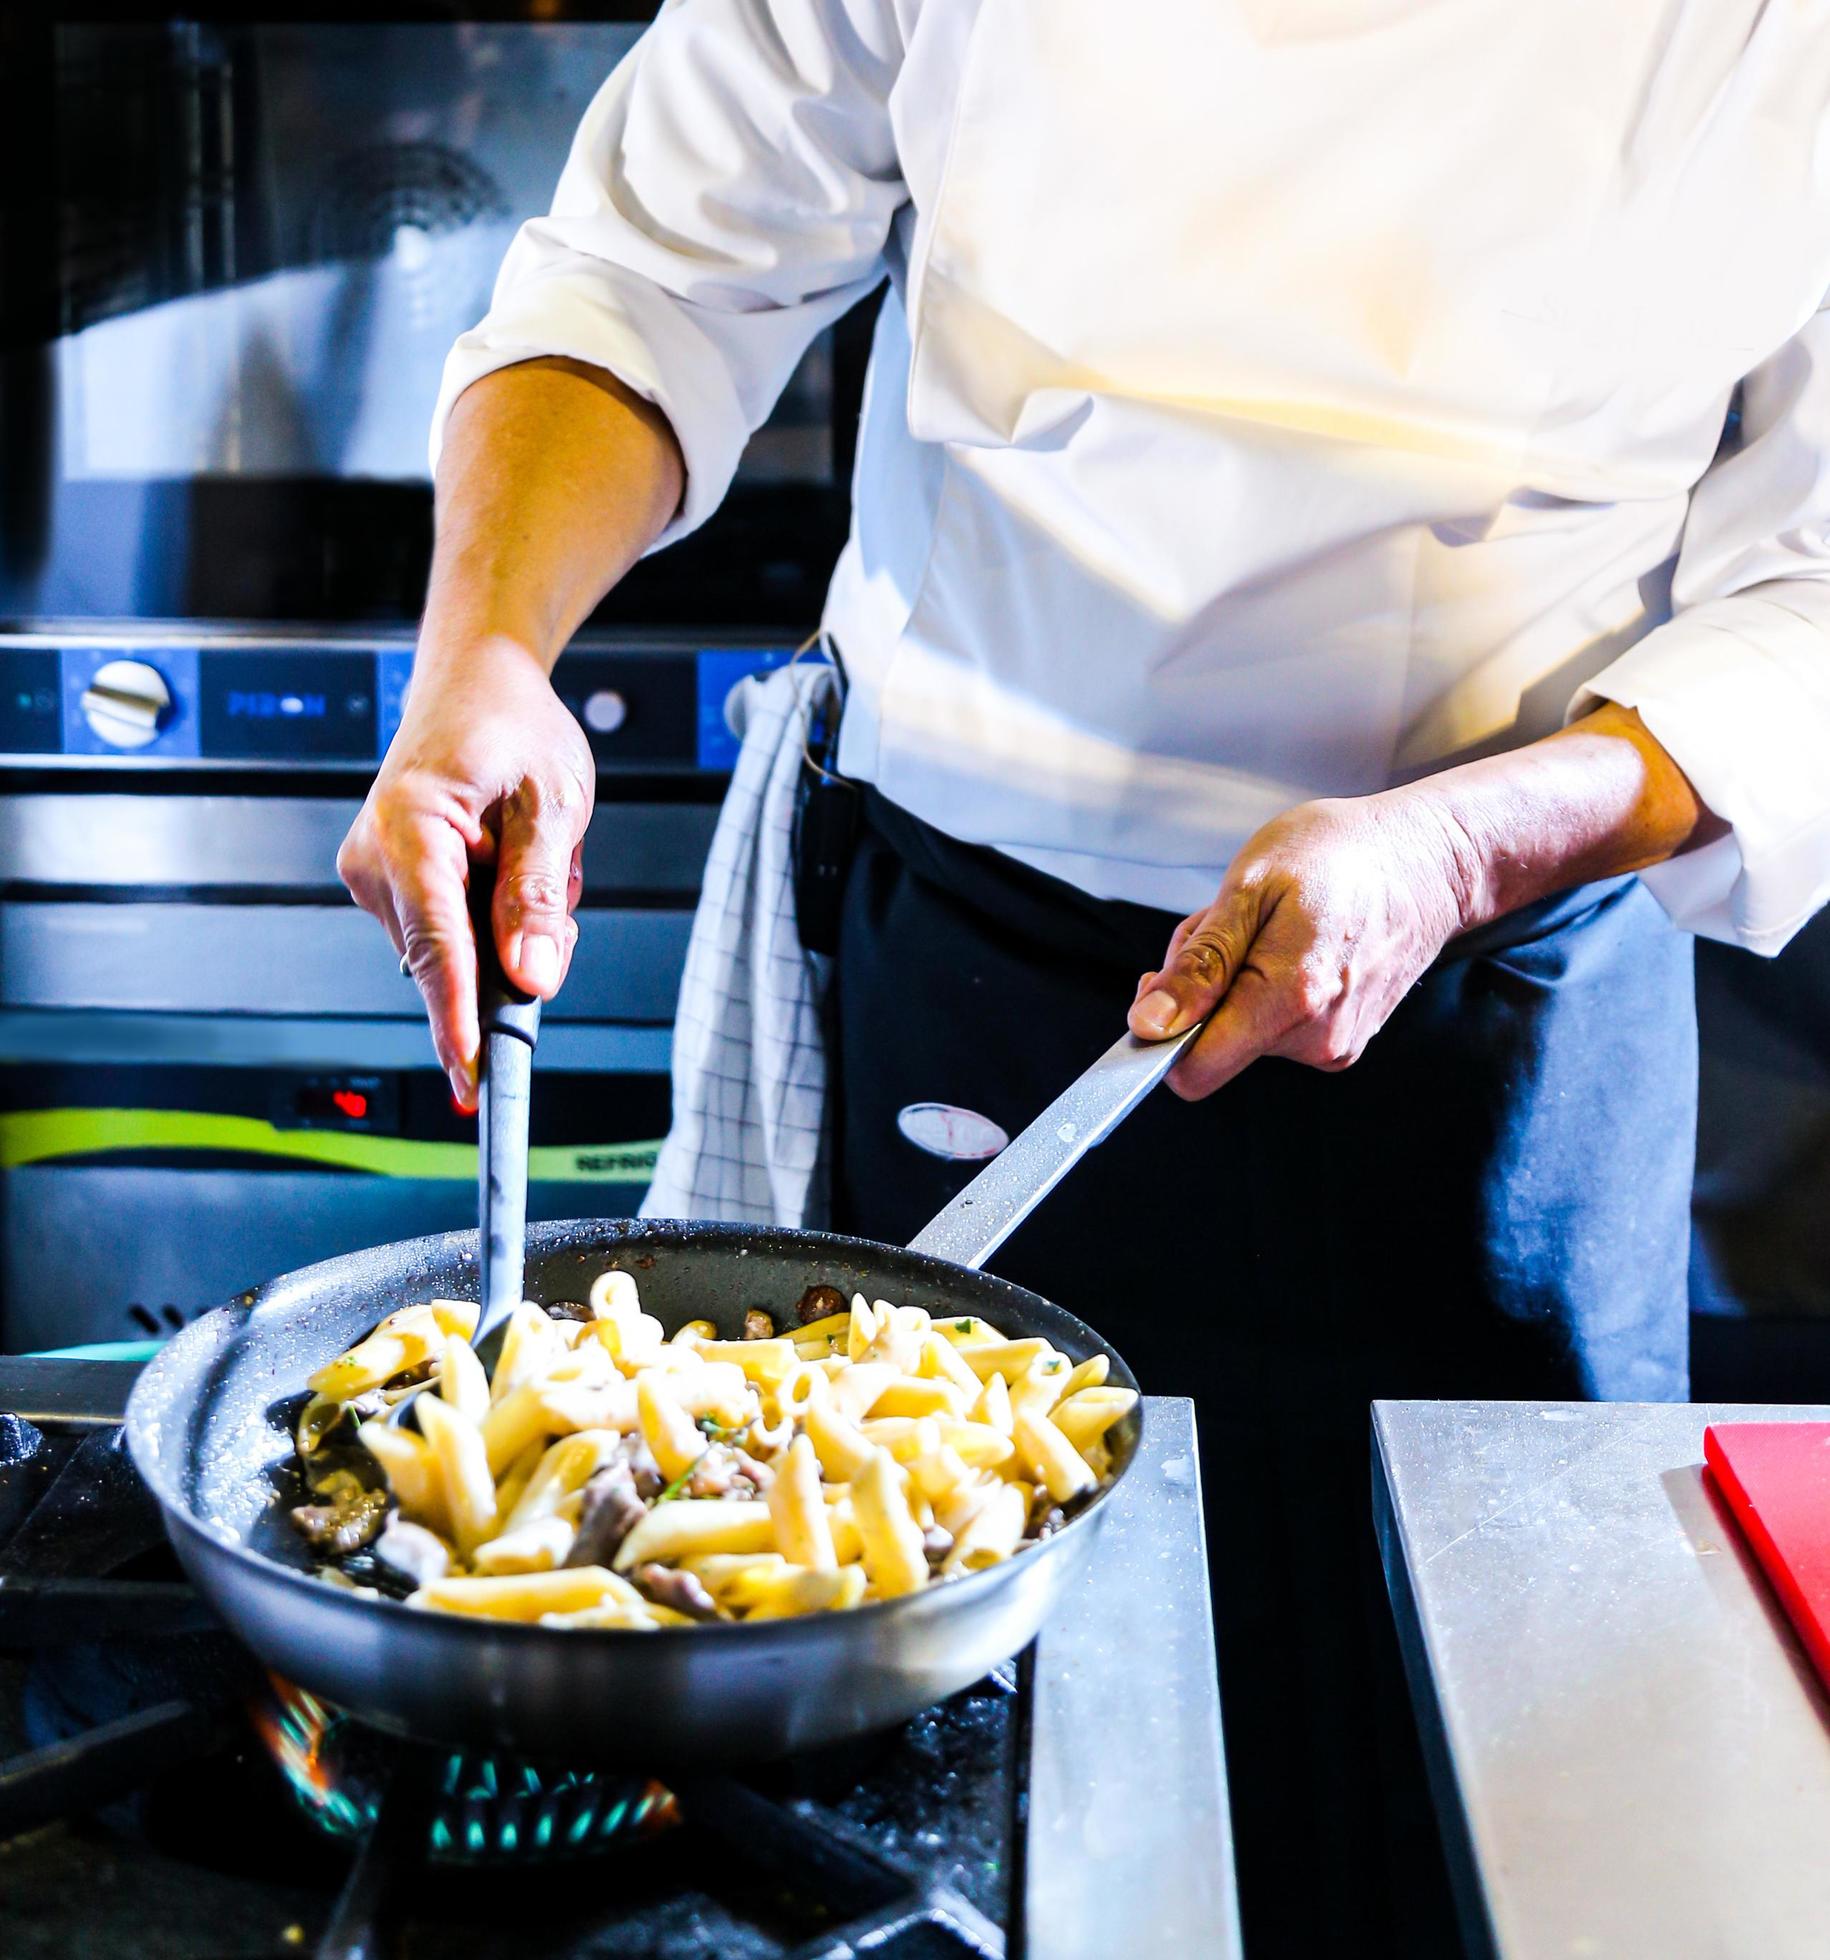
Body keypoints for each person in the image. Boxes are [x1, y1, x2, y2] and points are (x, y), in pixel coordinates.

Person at [337, 5, 1830, 1950]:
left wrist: (1458, 842)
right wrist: (488, 654)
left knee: (1479, 1820)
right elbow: (651, 265)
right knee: (914, 1815)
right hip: (972, 959)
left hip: (1489, 1018)